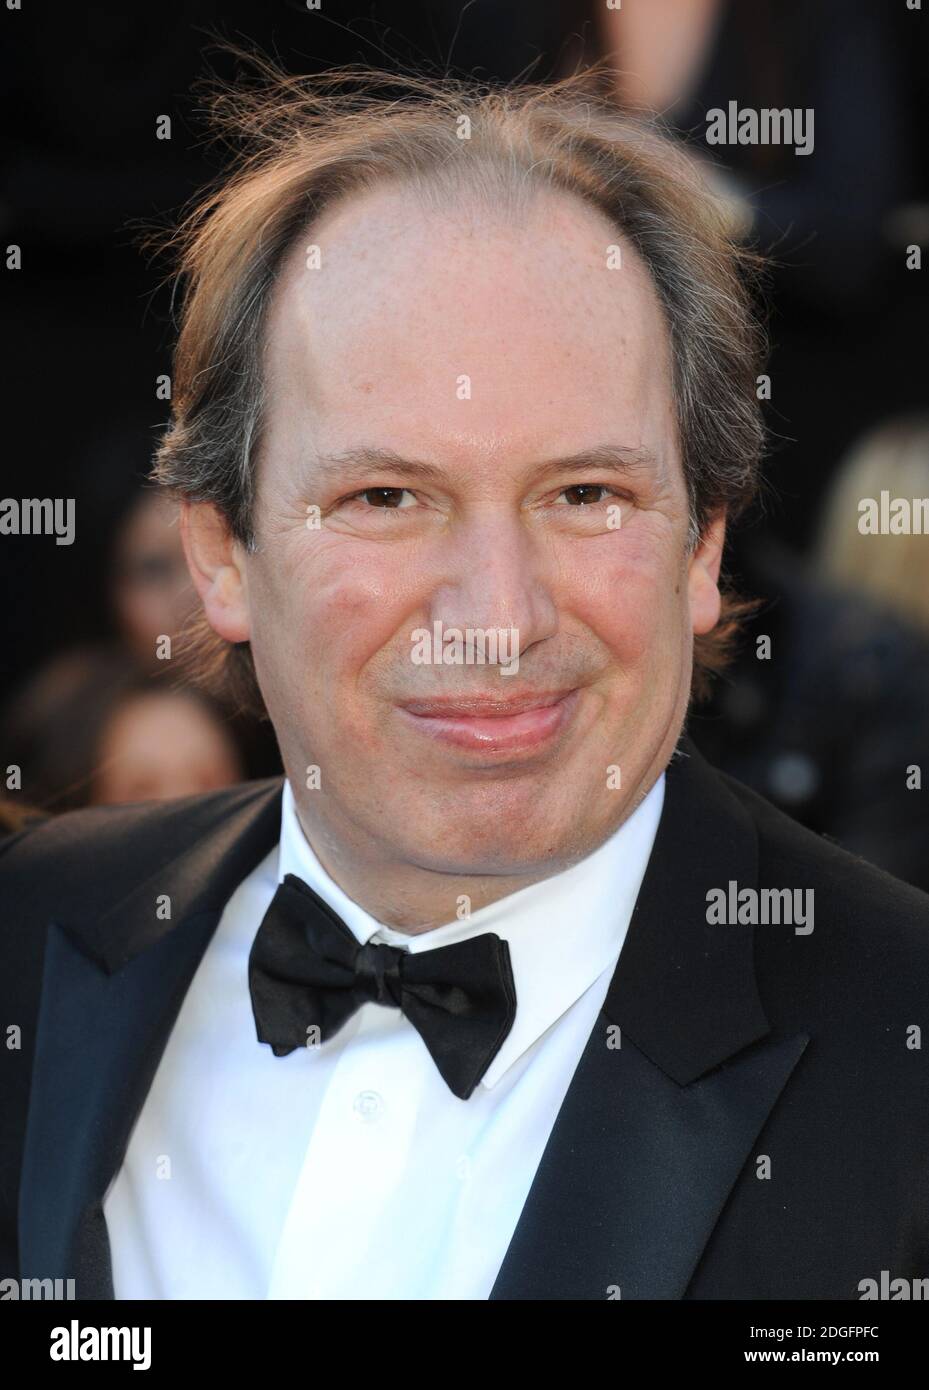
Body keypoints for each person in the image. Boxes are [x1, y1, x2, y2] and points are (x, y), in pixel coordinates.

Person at [2, 59, 928, 1302]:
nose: (496, 619)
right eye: (386, 498)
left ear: (702, 544)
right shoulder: (31, 936)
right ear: (220, 551)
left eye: (584, 494)